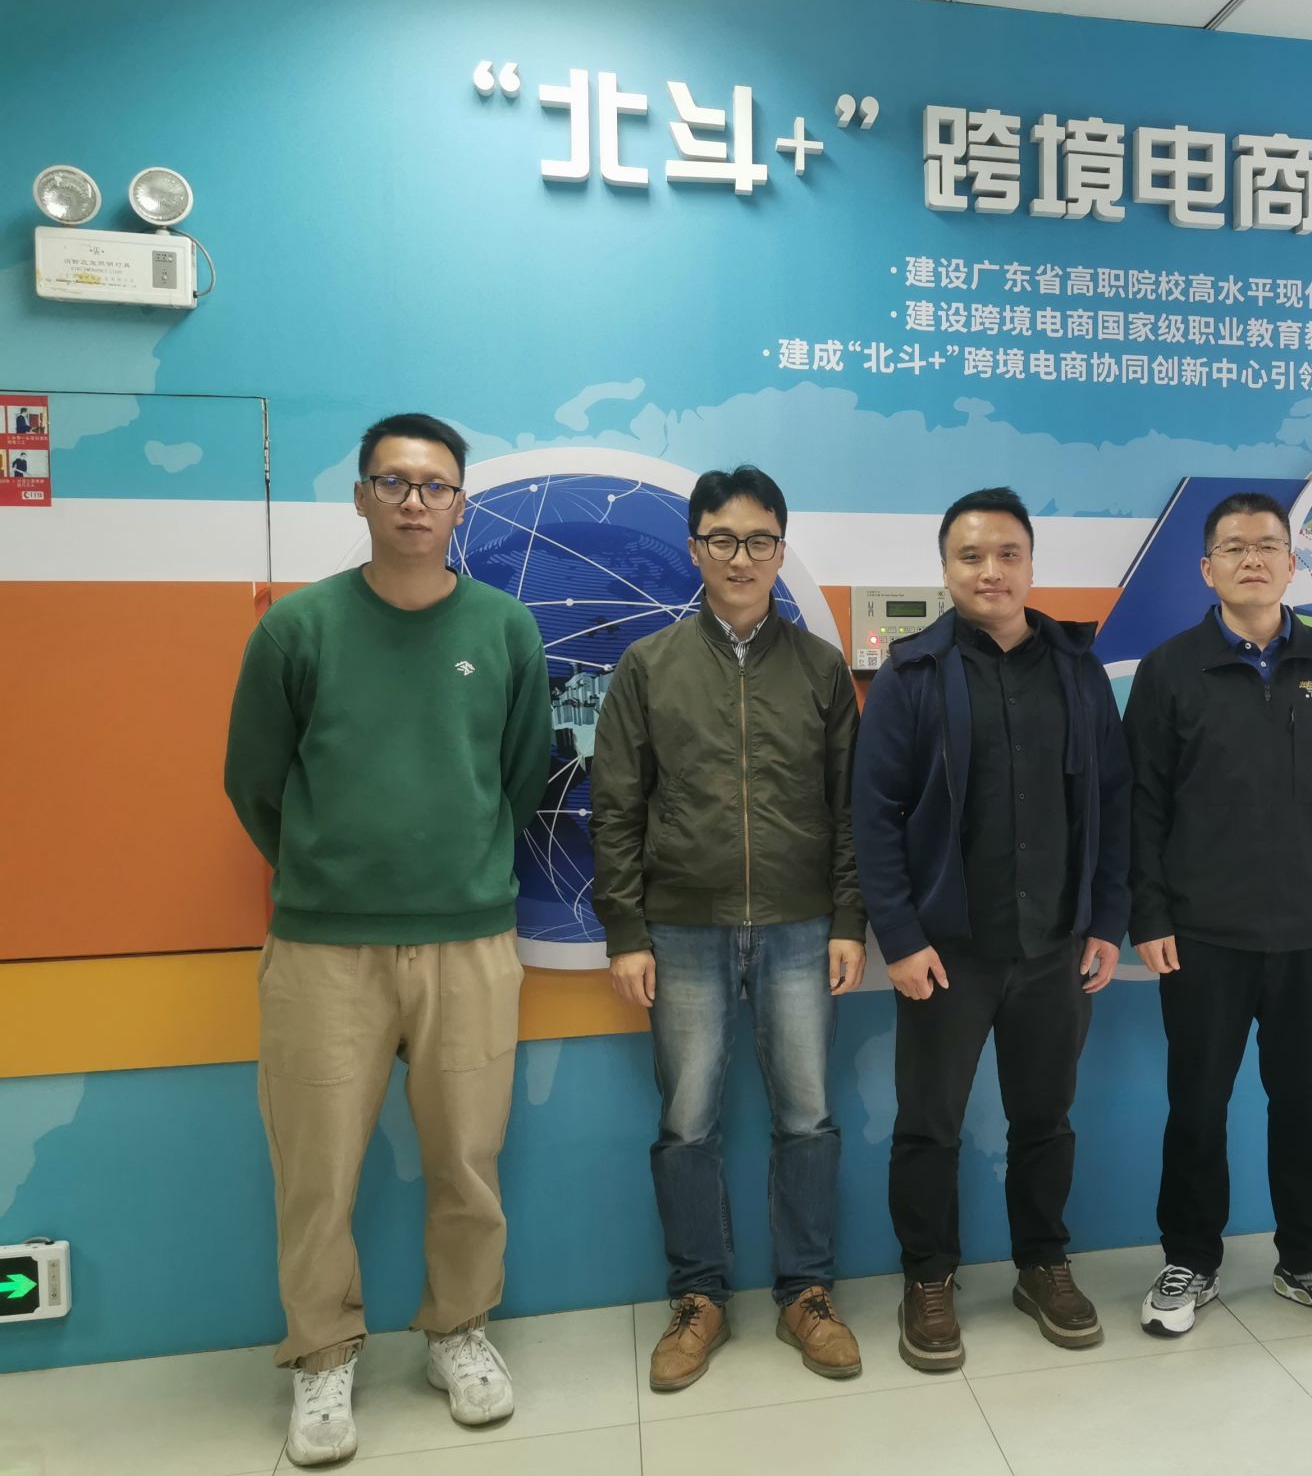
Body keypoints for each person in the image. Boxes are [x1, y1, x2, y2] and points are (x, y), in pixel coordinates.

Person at [224, 412, 552, 1466]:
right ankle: (321, 1355)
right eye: (395, 482)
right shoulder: (297, 629)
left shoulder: (505, 630)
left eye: (436, 485)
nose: (416, 501)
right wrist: (334, 873)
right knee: (315, 1170)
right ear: (361, 495)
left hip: (469, 939)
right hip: (325, 948)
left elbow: (520, 774)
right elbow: (254, 782)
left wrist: (456, 870)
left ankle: (458, 1331)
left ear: (461, 505)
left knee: (468, 1159)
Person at [587, 464, 866, 1391]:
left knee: (808, 1117)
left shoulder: (820, 669)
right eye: (721, 539)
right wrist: (626, 931)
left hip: (801, 926)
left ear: (781, 550)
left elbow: (851, 809)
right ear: (695, 548)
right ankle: (698, 1296)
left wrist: (849, 920)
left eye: (758, 541)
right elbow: (616, 808)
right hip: (682, 930)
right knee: (686, 1123)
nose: (740, 558)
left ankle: (806, 1293)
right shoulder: (648, 666)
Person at [852, 486, 1131, 1373]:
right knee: (928, 1125)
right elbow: (874, 816)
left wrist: (1107, 919)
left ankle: (1042, 1264)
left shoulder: (1078, 671)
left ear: (1030, 564)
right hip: (947, 952)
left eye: (1008, 554)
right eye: (971, 556)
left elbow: (1113, 802)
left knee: (1045, 1120)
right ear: (946, 569)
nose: (991, 571)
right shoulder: (911, 676)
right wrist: (901, 937)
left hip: (1055, 945)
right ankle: (928, 1278)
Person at [1123, 491, 1312, 1338]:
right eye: (1233, 547)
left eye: (1268, 545)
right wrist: (1150, 914)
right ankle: (1188, 1260)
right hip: (1201, 936)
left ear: (1291, 562)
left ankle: (1308, 1258)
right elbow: (1141, 806)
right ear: (1207, 568)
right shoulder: (1170, 670)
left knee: (1304, 1106)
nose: (1252, 559)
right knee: (1197, 1108)